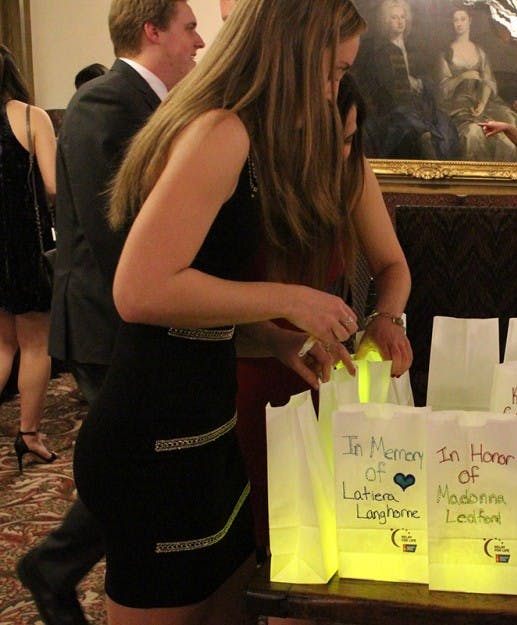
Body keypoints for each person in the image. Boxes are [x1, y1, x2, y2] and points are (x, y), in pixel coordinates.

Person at [72, 0, 404, 621]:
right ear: (291, 51)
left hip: (205, 427)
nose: (336, 90)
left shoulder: (246, 136)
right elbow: (139, 291)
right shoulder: (222, 130)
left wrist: (271, 340)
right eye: (332, 71)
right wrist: (289, 299)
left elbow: (197, 307)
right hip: (154, 438)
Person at [17, 3, 205, 624]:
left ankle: (57, 565)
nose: (200, 41)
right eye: (188, 27)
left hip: (130, 318)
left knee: (129, 463)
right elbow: (116, 238)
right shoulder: (107, 102)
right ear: (153, 31)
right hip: (108, 323)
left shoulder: (147, 104)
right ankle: (56, 565)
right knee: (128, 465)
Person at [235, 72, 413, 556]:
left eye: (350, 139)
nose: (340, 154)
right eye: (328, 141)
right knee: (264, 533)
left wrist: (386, 317)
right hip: (248, 363)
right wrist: (276, 333)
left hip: (324, 364)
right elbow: (215, 301)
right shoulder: (246, 176)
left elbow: (393, 265)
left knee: (326, 527)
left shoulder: (351, 171)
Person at [0, 44, 58, 471]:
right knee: (36, 345)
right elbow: (54, 186)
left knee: (1, 344)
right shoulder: (29, 117)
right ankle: (28, 434)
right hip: (25, 247)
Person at [357, 0, 458, 159]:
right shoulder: (378, 51)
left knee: (446, 126)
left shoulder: (414, 49)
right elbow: (378, 83)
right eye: (394, 18)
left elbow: (429, 79)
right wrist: (403, 82)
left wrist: (419, 83)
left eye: (402, 17)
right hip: (391, 106)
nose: (399, 22)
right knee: (410, 126)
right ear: (386, 21)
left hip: (421, 104)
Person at [436, 6, 517, 161]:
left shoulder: (479, 51)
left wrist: (482, 102)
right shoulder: (446, 54)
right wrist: (462, 77)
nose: (459, 24)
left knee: (510, 120)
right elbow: (443, 88)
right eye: (456, 20)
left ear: (470, 21)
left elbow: (489, 81)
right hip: (458, 106)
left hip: (483, 103)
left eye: (463, 19)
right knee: (474, 133)